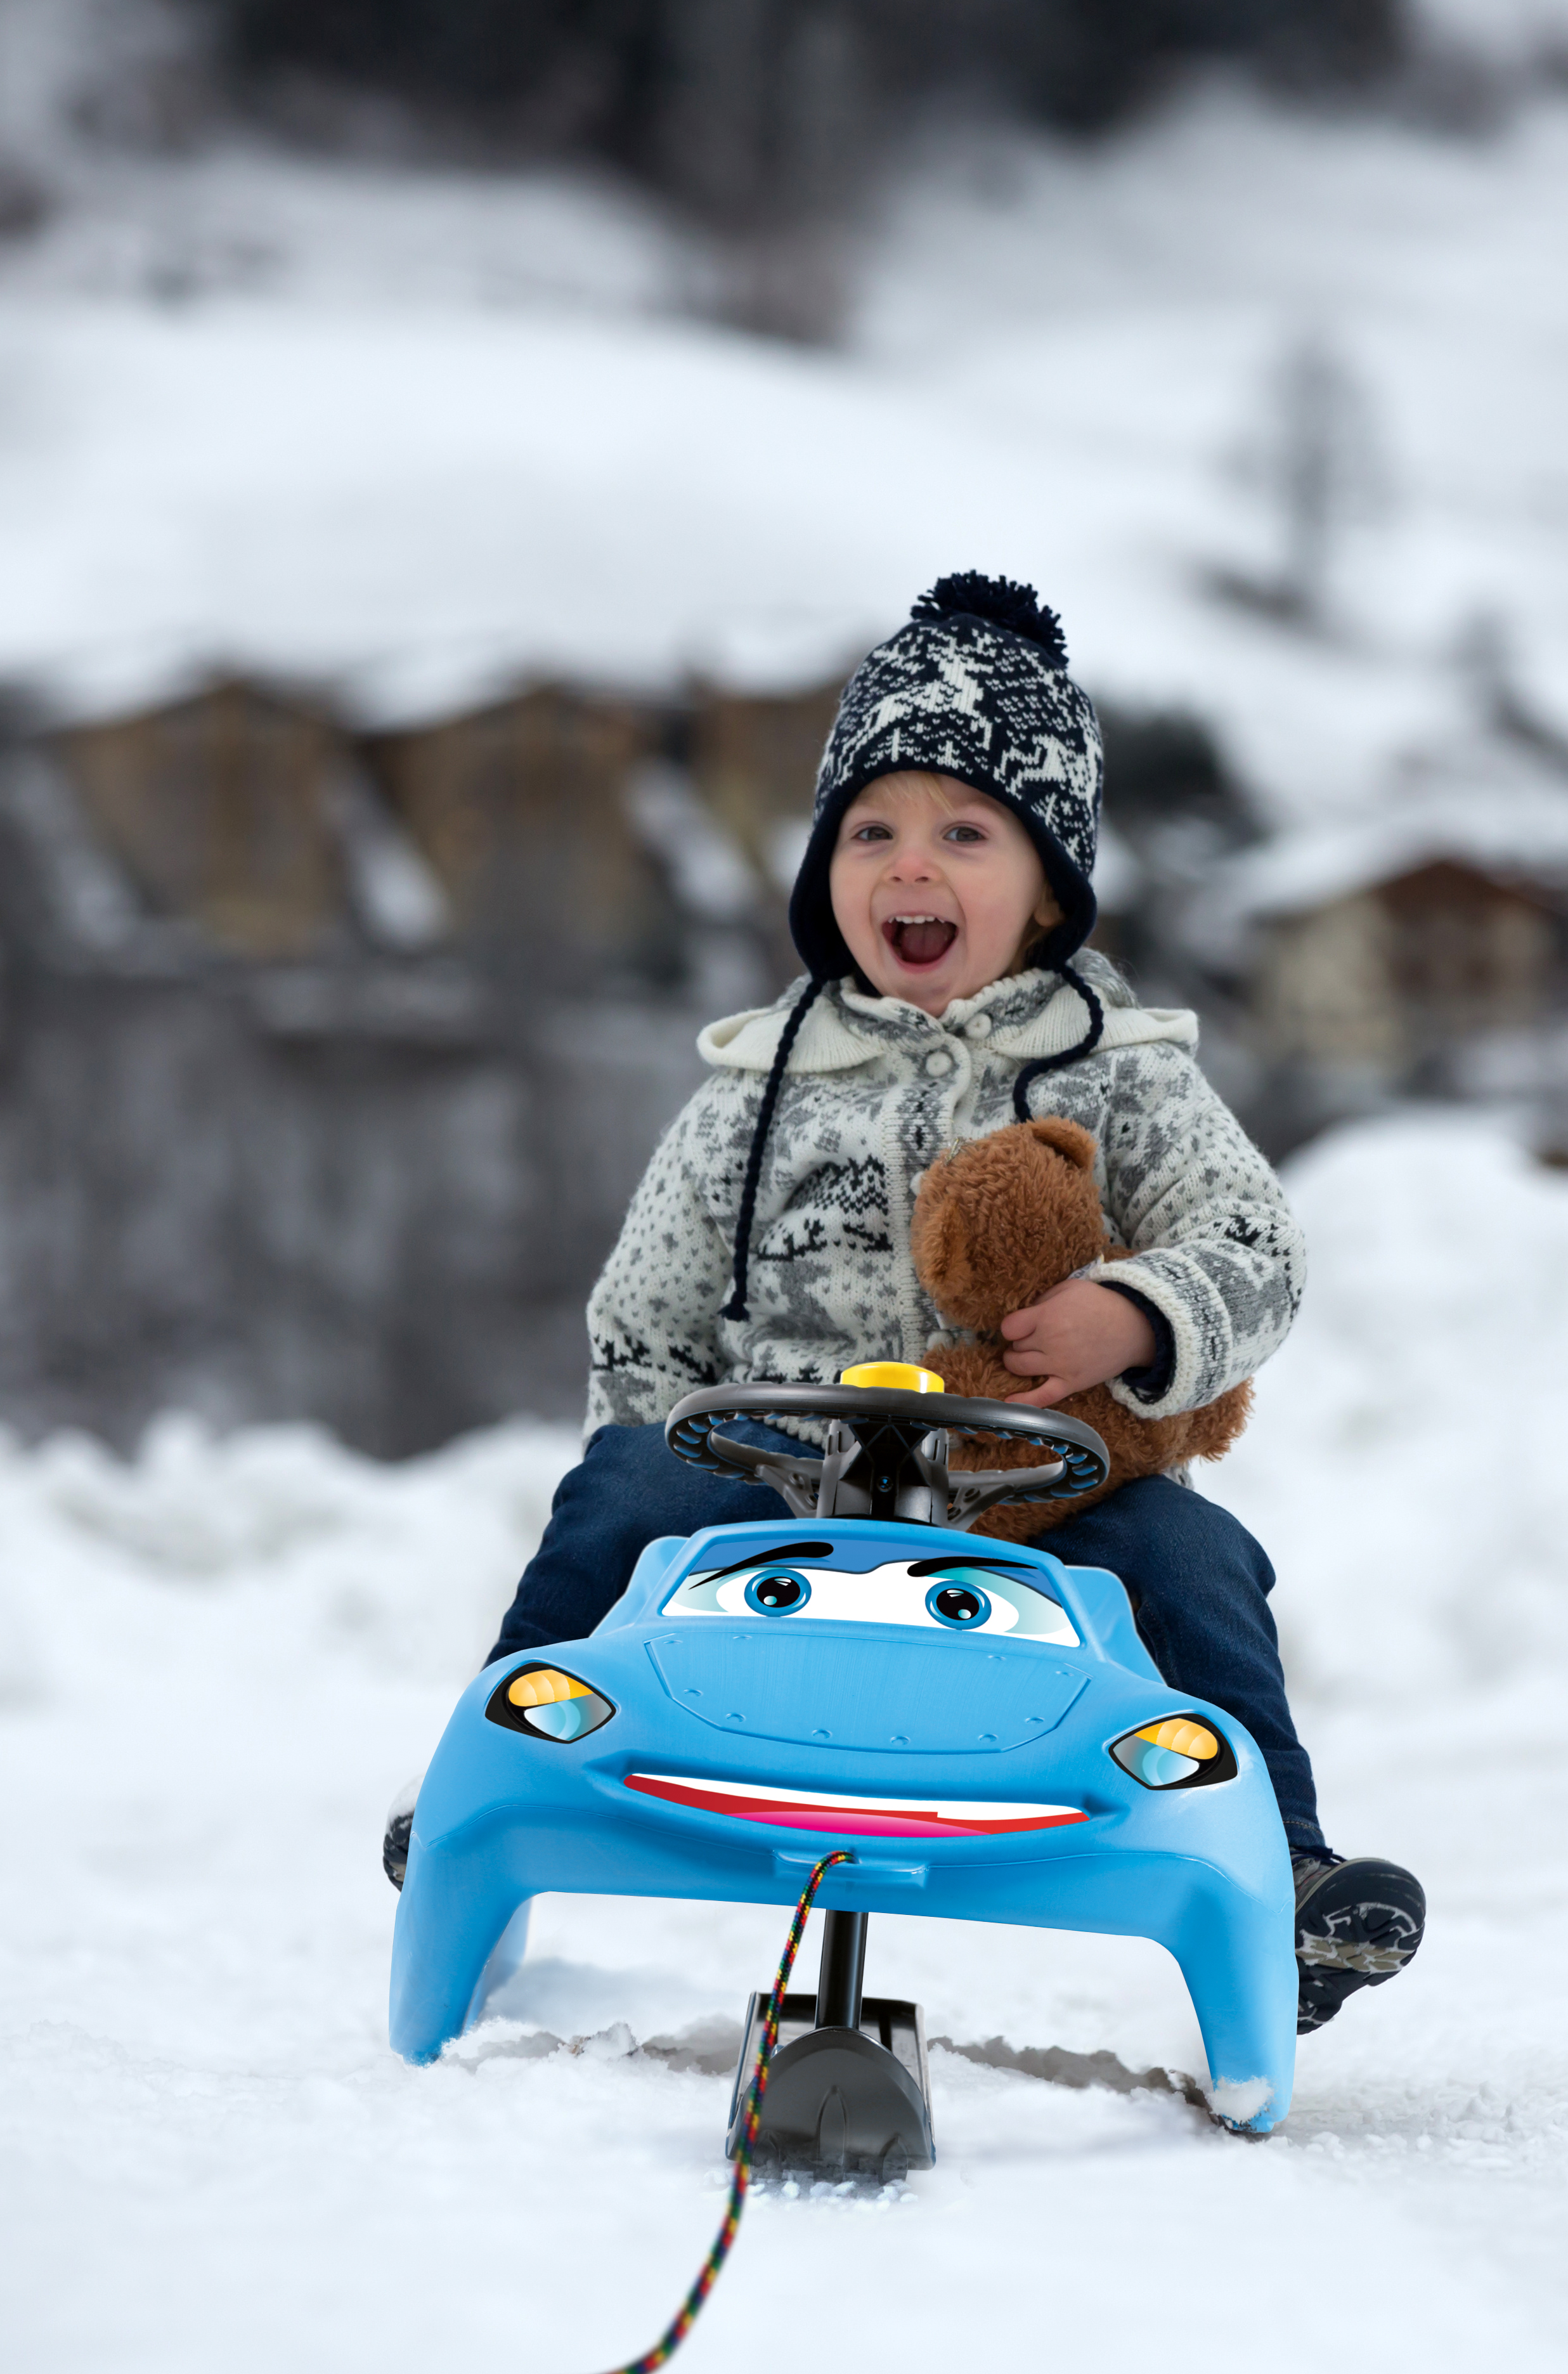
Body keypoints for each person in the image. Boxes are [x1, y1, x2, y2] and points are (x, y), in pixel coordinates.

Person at [421, 570, 1422, 2035]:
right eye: (872, 832)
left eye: (965, 833)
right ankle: (505, 1756)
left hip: (1034, 1494)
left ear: (1050, 884)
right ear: (823, 866)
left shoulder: (1124, 1070)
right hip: (772, 1484)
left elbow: (1256, 1241)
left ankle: (1284, 1872)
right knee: (615, 1486)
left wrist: (1136, 1316)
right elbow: (646, 1316)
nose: (911, 869)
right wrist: (667, 1444)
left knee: (1198, 1556)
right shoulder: (758, 1090)